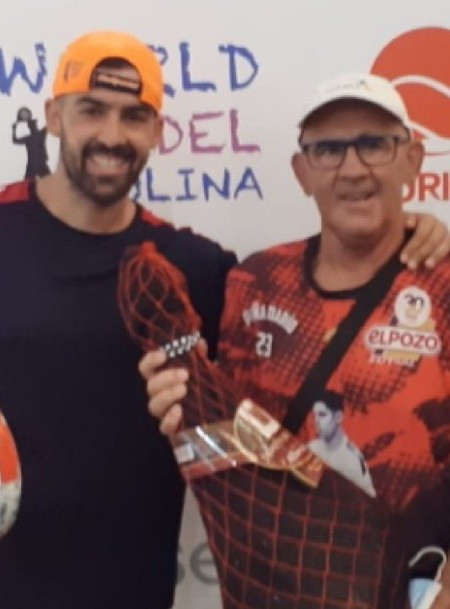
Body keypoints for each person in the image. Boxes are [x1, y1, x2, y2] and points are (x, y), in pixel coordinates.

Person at [0, 31, 237, 609]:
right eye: (91, 110)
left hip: (126, 589)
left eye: (133, 116)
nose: (112, 136)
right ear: (54, 117)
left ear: (157, 132)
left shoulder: (192, 268)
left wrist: (411, 241)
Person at [140, 73, 450, 609]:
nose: (353, 168)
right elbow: (235, 443)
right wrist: (182, 413)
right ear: (302, 172)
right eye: (328, 149)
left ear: (412, 159)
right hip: (272, 590)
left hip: (413, 587)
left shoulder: (441, 285)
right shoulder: (255, 280)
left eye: (374, 144)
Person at [308, 390, 376, 497]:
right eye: (315, 415)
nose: (316, 421)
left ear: (338, 417)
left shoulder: (354, 460)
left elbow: (368, 496)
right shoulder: (313, 447)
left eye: (322, 415)